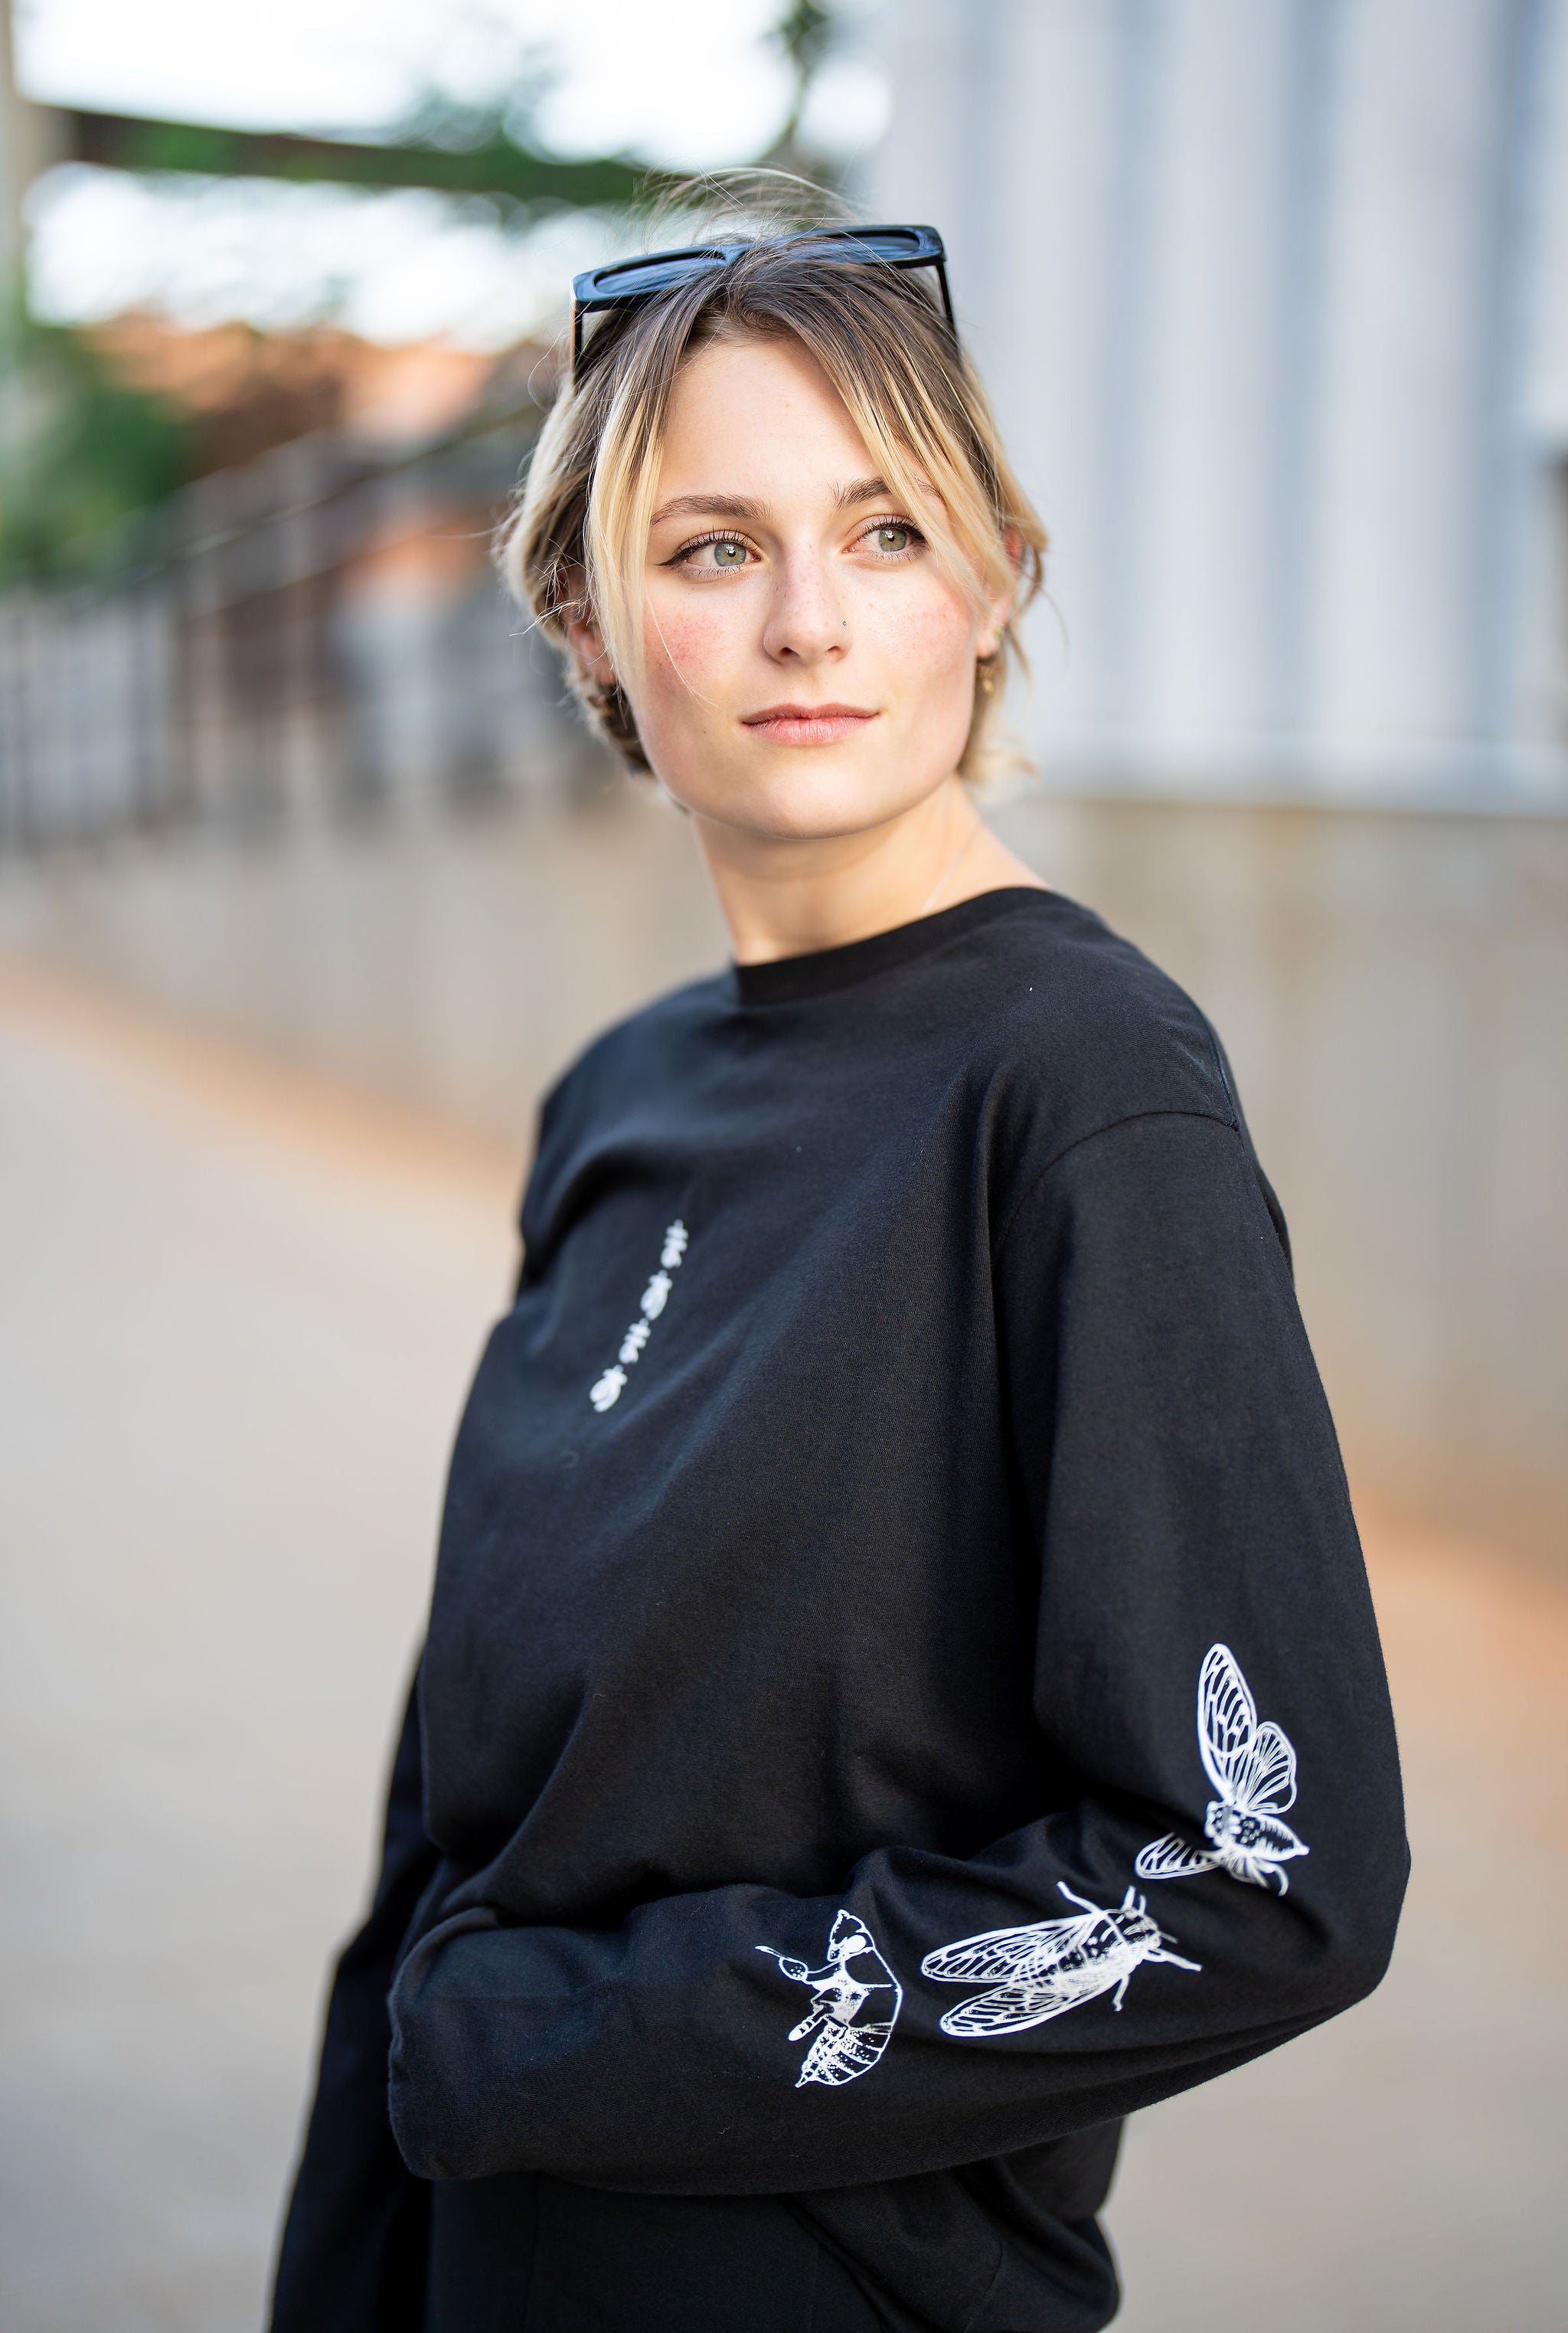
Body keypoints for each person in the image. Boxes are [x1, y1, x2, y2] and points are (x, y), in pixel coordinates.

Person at [268, 202, 1407, 2333]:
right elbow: (454, 1861)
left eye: (886, 532)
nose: (809, 619)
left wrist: (572, 2050)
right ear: (591, 627)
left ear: (993, 586)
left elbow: (1268, 1879)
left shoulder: (1080, 1089)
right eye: (712, 547)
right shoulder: (618, 1101)